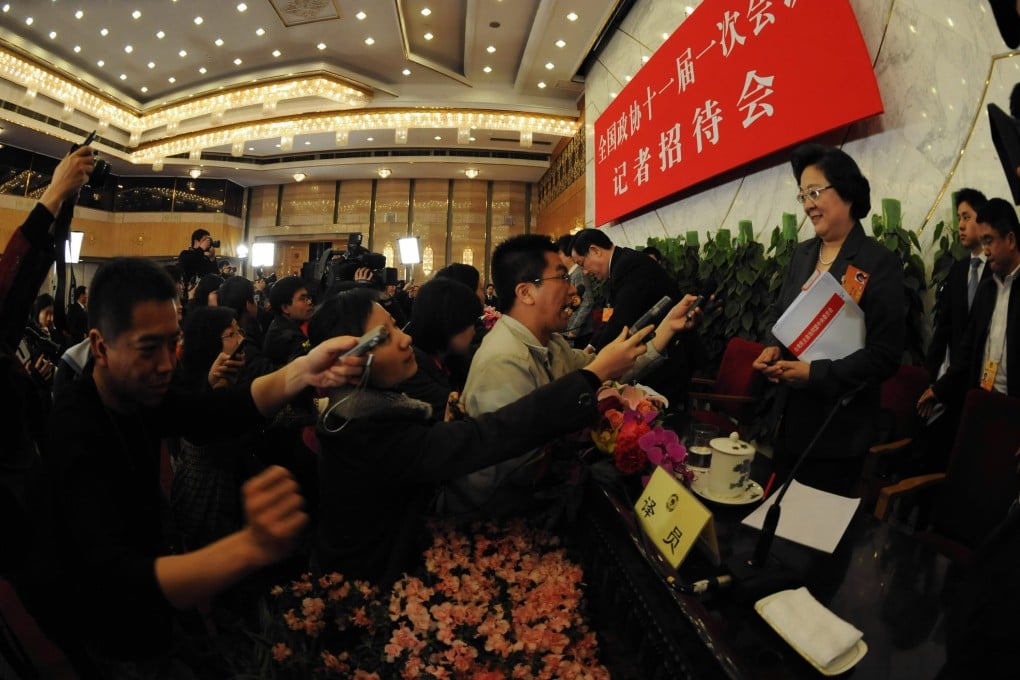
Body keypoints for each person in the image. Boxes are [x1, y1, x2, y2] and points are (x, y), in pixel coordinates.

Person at [18, 257, 365, 674]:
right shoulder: (75, 429)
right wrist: (251, 545)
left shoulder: (135, 388)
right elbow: (117, 576)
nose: (167, 363)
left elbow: (213, 411)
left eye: (172, 342)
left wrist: (304, 370)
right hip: (105, 624)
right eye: (150, 348)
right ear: (99, 345)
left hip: (154, 584)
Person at [307, 286, 652, 586]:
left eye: (396, 325)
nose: (405, 337)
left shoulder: (372, 411)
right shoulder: (367, 434)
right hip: (375, 588)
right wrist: (592, 376)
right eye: (384, 336)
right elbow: (490, 434)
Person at [447, 234, 702, 515]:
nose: (573, 291)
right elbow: (517, 463)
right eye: (563, 278)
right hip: (502, 512)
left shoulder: (551, 342)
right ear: (526, 292)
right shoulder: (503, 360)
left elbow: (604, 366)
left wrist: (666, 329)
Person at [753, 143, 905, 496]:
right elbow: (779, 315)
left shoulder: (879, 263)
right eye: (803, 195)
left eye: (816, 192)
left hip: (838, 430)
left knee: (814, 538)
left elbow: (885, 355)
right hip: (789, 419)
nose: (808, 204)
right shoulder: (803, 254)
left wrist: (816, 373)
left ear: (848, 192)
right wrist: (773, 348)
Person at [571, 228, 702, 406]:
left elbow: (622, 320)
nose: (584, 271)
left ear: (595, 250)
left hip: (668, 355)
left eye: (582, 263)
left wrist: (596, 362)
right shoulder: (621, 265)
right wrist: (591, 347)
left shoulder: (628, 265)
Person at [919, 197, 1020, 411]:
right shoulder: (987, 289)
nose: (985, 250)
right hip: (982, 400)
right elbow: (967, 347)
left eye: (989, 241)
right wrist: (939, 389)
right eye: (983, 242)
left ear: (1010, 240)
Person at [926, 189, 991, 381]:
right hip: (954, 377)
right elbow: (944, 328)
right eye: (959, 218)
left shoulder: (997, 270)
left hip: (985, 377)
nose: (960, 226)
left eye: (966, 217)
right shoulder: (957, 271)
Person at [394, 277, 482, 416]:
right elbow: (458, 410)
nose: (473, 331)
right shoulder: (412, 367)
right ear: (448, 325)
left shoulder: (449, 357)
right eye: (469, 323)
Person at [263, 275, 315, 367]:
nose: (309, 302)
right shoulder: (287, 337)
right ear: (285, 308)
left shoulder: (282, 324)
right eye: (303, 299)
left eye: (308, 298)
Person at [556, 234, 594, 348]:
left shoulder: (579, 273)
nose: (558, 258)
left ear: (569, 255)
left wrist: (574, 329)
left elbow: (587, 302)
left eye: (560, 254)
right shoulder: (569, 274)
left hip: (579, 333)